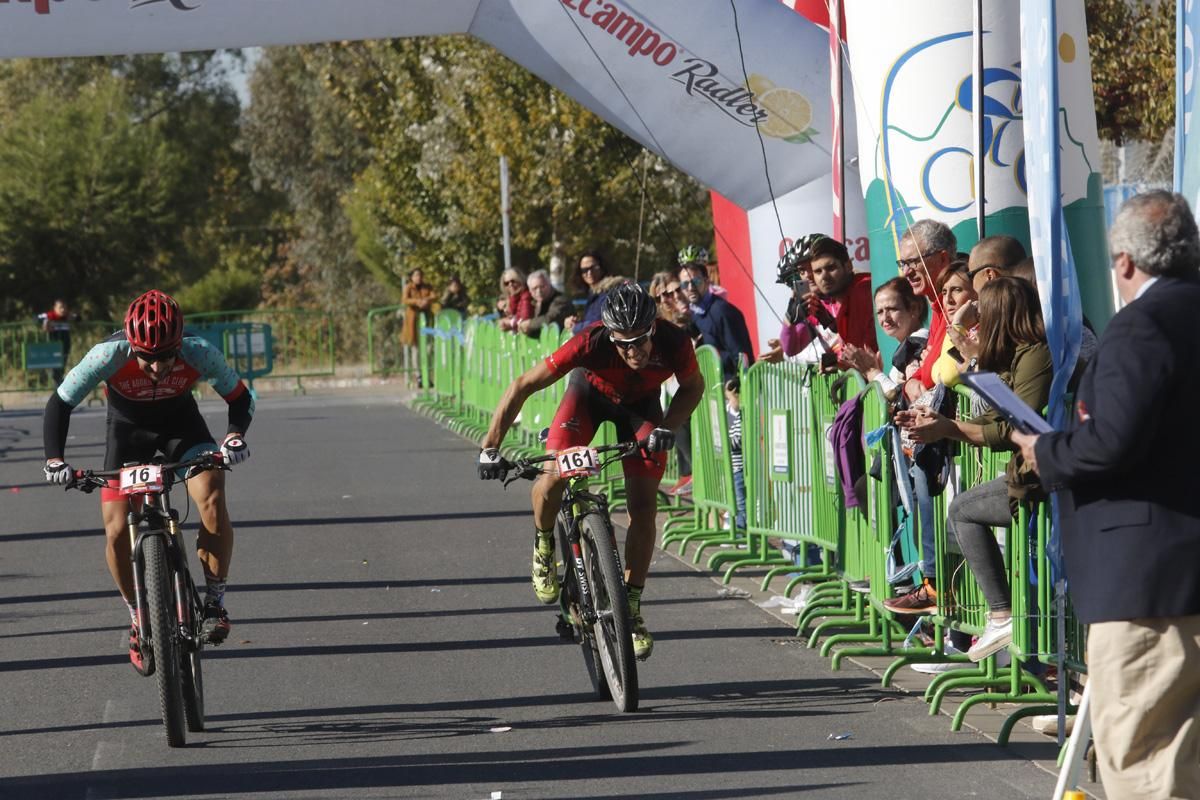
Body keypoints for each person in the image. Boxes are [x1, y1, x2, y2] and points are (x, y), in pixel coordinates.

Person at [1014, 191, 1200, 799]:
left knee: (1144, 762)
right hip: (1176, 574)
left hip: (1148, 583)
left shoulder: (1142, 325)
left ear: (1123, 263)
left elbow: (1113, 442)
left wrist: (1045, 452)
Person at [477, 283, 704, 661]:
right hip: (588, 399)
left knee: (645, 509)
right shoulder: (588, 343)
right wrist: (489, 447)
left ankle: (630, 609)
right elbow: (522, 385)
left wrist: (671, 425)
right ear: (610, 334)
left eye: (642, 340)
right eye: (624, 343)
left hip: (641, 410)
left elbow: (693, 387)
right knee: (551, 476)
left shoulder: (675, 342)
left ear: (653, 327)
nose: (634, 351)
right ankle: (545, 542)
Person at [41, 290, 253, 673]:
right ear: (131, 346)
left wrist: (234, 436)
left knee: (211, 494)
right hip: (127, 435)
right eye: (147, 358)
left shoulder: (199, 351)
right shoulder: (107, 355)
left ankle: (215, 600)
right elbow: (59, 403)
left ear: (179, 345)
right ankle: (138, 615)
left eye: (166, 357)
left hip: (182, 430)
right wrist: (55, 459)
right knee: (117, 530)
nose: (157, 368)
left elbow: (240, 398)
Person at [894, 277, 1051, 657]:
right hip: (1033, 472)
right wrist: (936, 422)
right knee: (962, 509)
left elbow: (1018, 425)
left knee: (962, 510)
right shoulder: (1017, 355)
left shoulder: (1036, 353)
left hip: (1049, 475)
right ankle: (1002, 617)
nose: (979, 322)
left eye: (985, 312)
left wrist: (948, 427)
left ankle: (1002, 615)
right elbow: (994, 416)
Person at [896, 220, 957, 399]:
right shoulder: (936, 304)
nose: (906, 272)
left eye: (914, 262)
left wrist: (918, 376)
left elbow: (933, 374)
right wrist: (911, 382)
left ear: (943, 258)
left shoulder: (954, 305)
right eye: (903, 263)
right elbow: (927, 371)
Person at [677, 260, 754, 380]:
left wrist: (735, 386)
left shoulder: (722, 311)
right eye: (685, 284)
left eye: (696, 281)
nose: (691, 288)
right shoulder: (694, 314)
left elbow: (741, 358)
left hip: (735, 391)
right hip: (711, 390)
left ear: (707, 281)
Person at [401, 268, 436, 383]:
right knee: (416, 349)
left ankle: (428, 374)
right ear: (411, 277)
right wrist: (417, 302)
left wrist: (426, 300)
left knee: (429, 348)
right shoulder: (408, 287)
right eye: (415, 275)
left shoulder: (427, 287)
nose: (418, 277)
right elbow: (405, 300)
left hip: (427, 320)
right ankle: (419, 375)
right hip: (413, 321)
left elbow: (434, 295)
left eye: (420, 275)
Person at [563, 251, 609, 334]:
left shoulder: (609, 292)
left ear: (602, 267)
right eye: (584, 270)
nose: (589, 273)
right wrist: (575, 322)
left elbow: (600, 323)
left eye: (593, 267)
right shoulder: (592, 294)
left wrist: (575, 327)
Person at [37, 298, 80, 385]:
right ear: (55, 308)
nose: (63, 310)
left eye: (64, 308)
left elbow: (78, 318)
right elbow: (37, 318)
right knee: (55, 365)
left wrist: (72, 317)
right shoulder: (50, 315)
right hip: (54, 345)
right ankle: (55, 381)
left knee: (62, 364)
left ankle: (58, 381)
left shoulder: (67, 316)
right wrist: (46, 322)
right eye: (60, 307)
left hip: (65, 345)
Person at [519, 269, 572, 337]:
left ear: (549, 284)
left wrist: (529, 324)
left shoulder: (560, 300)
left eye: (542, 286)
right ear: (530, 291)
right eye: (535, 288)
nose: (539, 291)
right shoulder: (536, 303)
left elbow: (550, 319)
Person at [725, 376, 745, 531]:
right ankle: (734, 527)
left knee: (741, 501)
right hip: (730, 465)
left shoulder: (741, 413)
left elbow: (740, 440)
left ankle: (741, 530)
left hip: (739, 467)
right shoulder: (726, 410)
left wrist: (726, 445)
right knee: (732, 500)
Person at [496, 267, 533, 333]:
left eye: (513, 281)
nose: (510, 285)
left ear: (520, 280)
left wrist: (510, 323)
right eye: (506, 283)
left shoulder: (526, 296)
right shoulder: (512, 299)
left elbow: (524, 319)